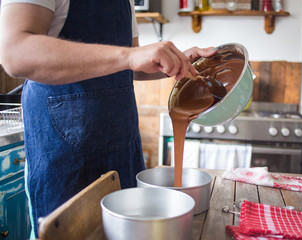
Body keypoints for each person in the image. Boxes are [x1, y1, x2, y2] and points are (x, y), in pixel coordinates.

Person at [0, 0, 214, 238]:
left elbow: (128, 63)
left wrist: (175, 61)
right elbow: (14, 52)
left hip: (123, 143)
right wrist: (129, 56)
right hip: (65, 156)